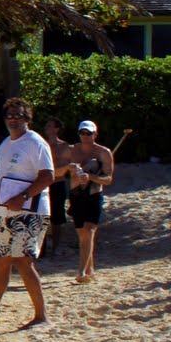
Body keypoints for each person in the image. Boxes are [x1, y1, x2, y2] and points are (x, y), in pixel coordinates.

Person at [0, 96, 54, 328]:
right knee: (2, 260)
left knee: (23, 261)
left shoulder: (36, 143)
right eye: (10, 116)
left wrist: (24, 197)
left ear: (28, 118)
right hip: (8, 212)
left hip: (31, 211)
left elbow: (48, 176)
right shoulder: (6, 144)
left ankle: (41, 316)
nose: (14, 120)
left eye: (19, 116)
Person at [65, 120, 115, 284]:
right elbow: (57, 170)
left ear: (95, 134)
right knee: (82, 234)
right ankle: (90, 269)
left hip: (94, 193)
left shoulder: (103, 152)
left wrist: (91, 177)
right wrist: (70, 169)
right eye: (83, 133)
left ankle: (81, 272)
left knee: (89, 230)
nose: (86, 136)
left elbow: (108, 179)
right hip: (76, 194)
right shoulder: (71, 150)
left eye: (89, 133)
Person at [40, 118, 73, 258]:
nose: (46, 128)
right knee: (42, 215)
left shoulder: (64, 146)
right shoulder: (42, 144)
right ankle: (41, 248)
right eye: (46, 125)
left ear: (56, 129)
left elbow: (66, 167)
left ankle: (55, 247)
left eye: (49, 126)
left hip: (58, 183)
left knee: (57, 217)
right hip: (44, 183)